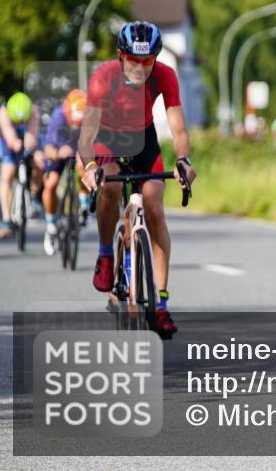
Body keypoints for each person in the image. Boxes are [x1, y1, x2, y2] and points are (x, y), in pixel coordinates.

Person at [79, 21, 197, 335]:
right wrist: (90, 168)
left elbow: (178, 127)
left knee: (155, 205)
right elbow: (87, 133)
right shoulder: (103, 77)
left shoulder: (165, 75)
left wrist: (184, 160)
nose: (140, 68)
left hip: (143, 139)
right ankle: (106, 254)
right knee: (112, 186)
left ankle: (161, 305)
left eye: (148, 61)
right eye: (133, 60)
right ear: (120, 55)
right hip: (107, 137)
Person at [41, 89, 91, 254]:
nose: (76, 126)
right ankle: (50, 226)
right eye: (74, 123)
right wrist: (56, 154)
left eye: (80, 123)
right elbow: (48, 147)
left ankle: (83, 205)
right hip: (59, 150)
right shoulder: (58, 116)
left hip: (79, 149)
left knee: (84, 168)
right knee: (51, 183)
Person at [0, 92, 41, 239]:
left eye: (23, 121)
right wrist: (16, 145)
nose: (20, 123)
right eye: (18, 121)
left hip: (27, 137)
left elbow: (32, 137)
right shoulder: (3, 112)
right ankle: (7, 219)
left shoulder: (33, 111)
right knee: (8, 173)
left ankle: (34, 197)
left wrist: (29, 151)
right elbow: (10, 139)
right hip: (9, 141)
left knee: (39, 162)